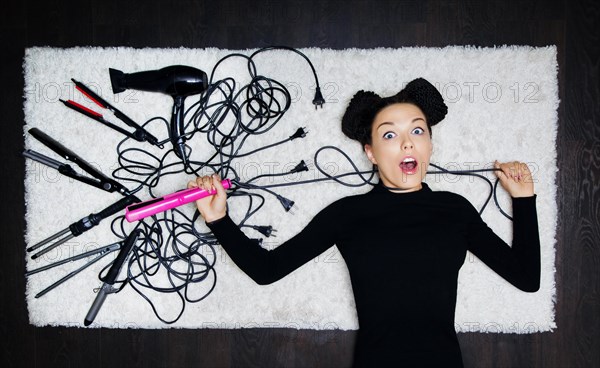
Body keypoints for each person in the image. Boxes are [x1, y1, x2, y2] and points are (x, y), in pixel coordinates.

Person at [188, 78, 541, 367]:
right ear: (370, 151)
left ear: (430, 144)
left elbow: (526, 278)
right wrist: (218, 219)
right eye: (389, 135)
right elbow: (267, 270)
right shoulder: (347, 214)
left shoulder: (455, 210)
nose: (406, 143)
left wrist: (524, 200)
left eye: (418, 132)